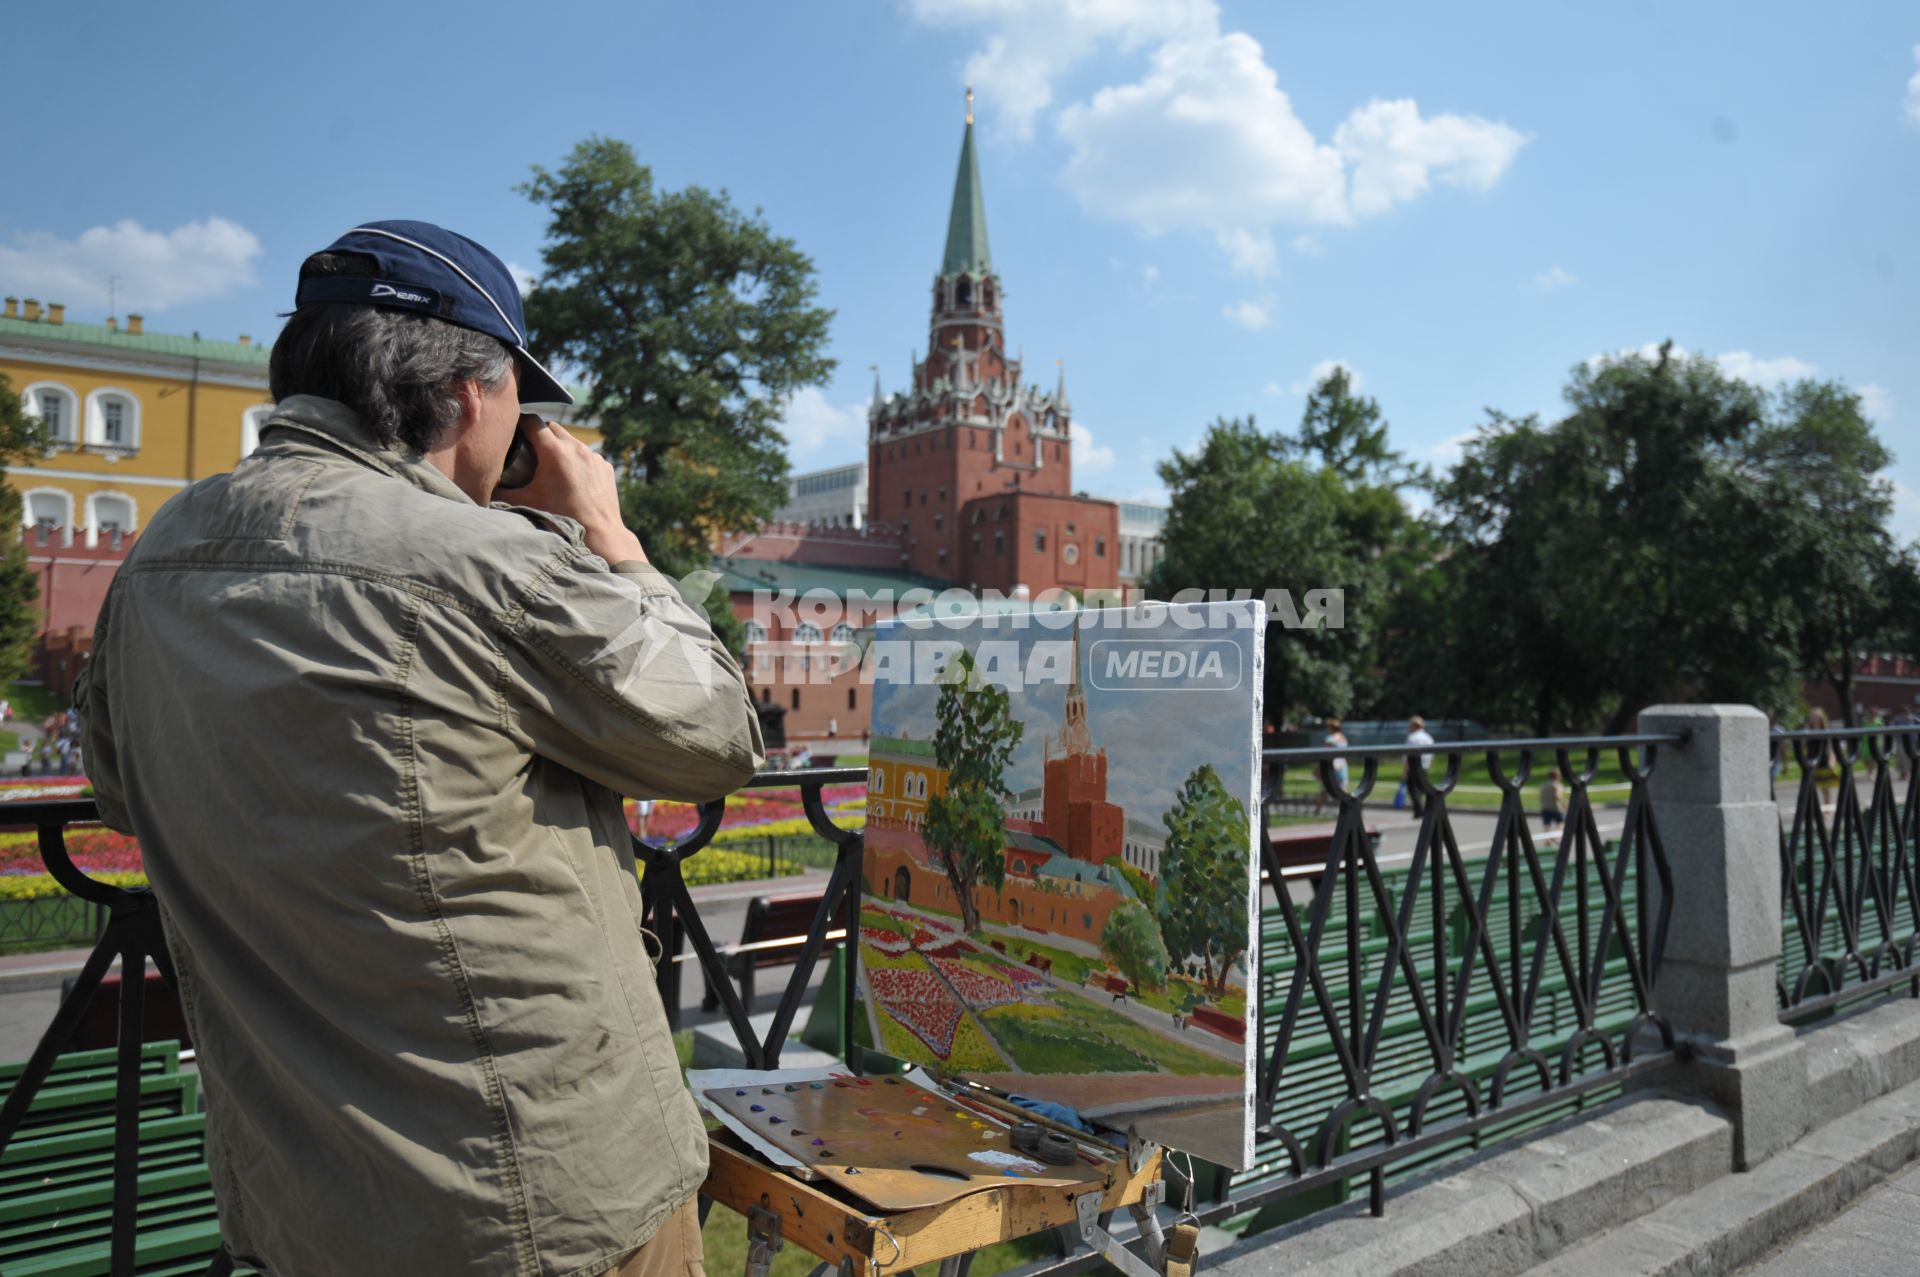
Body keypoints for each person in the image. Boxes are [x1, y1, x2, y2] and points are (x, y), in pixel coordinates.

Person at [77, 220, 762, 1277]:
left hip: (305, 1199)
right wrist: (612, 539)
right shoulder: (486, 564)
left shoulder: (158, 556)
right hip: (537, 1203)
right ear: (473, 395)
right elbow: (715, 731)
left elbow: (119, 789)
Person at [1404, 715, 1436, 817]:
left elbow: (1406, 755)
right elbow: (1431, 753)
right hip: (1424, 767)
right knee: (1423, 788)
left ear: (1413, 726)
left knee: (1413, 790)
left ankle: (1419, 811)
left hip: (1413, 767)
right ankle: (1426, 809)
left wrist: (1405, 770)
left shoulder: (1412, 738)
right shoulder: (1428, 738)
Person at [1315, 718, 1348, 815]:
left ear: (1331, 728)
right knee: (1343, 789)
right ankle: (1344, 810)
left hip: (1331, 765)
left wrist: (1318, 767)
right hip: (1342, 765)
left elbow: (1324, 753)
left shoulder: (1330, 739)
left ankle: (1317, 809)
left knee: (1325, 788)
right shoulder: (1343, 738)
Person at [1540, 767, 1566, 832]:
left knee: (1547, 825)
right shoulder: (1558, 785)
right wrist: (1565, 803)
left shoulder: (1544, 785)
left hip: (1545, 807)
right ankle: (1557, 837)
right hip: (1556, 808)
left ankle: (1547, 839)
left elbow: (1540, 796)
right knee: (1560, 823)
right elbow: (1558, 796)